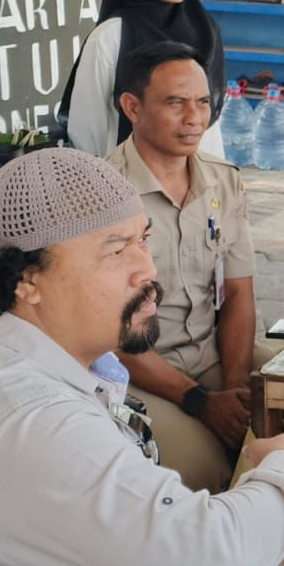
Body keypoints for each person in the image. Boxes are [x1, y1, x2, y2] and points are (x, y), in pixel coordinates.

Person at [0, 148, 284, 566]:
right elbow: (214, 556)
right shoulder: (34, 418)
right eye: (115, 252)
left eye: (143, 241)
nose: (146, 270)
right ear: (27, 280)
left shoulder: (24, 355)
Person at [105, 41, 261, 493]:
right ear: (132, 107)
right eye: (175, 103)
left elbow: (238, 294)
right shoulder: (103, 197)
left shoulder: (223, 180)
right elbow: (107, 337)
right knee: (203, 473)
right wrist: (201, 402)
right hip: (141, 376)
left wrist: (235, 395)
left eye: (203, 103)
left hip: (216, 358)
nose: (194, 119)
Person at [62, 0, 228, 159]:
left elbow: (211, 123)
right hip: (126, 182)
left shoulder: (205, 30)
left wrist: (212, 176)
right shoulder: (112, 36)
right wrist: (103, 184)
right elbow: (87, 125)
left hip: (196, 178)